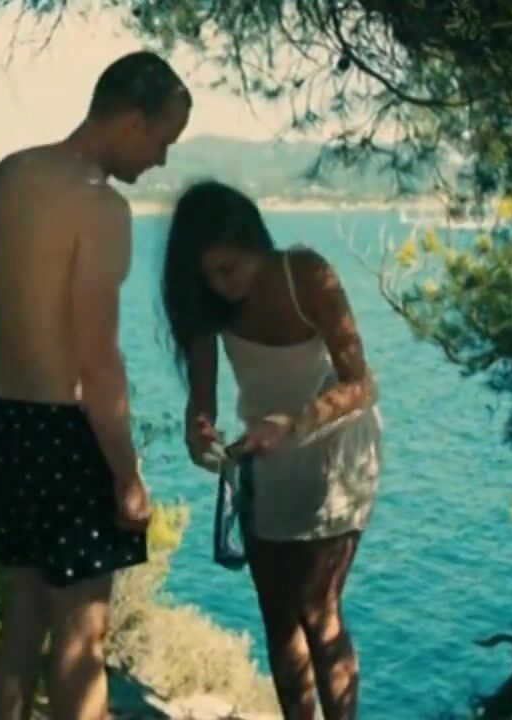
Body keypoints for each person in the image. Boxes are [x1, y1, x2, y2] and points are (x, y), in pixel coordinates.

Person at [0, 50, 190, 720]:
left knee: (23, 615)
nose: (161, 160)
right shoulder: (102, 209)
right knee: (83, 634)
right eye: (163, 140)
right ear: (132, 121)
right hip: (65, 434)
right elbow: (95, 359)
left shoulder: (10, 172)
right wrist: (128, 477)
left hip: (3, 422)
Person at [161, 180, 382, 720]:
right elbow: (203, 400)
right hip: (266, 452)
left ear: (250, 240)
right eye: (207, 277)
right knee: (278, 615)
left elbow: (360, 384)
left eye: (227, 268)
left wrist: (296, 422)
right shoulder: (206, 304)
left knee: (318, 609)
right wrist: (200, 433)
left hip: (335, 445)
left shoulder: (305, 273)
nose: (221, 285)